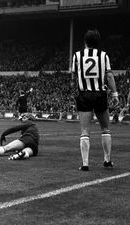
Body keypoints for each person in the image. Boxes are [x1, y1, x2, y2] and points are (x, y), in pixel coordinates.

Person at [71, 29, 119, 171]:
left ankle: (85, 164)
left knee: (85, 131)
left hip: (84, 94)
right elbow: (109, 76)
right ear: (98, 42)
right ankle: (107, 161)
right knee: (105, 128)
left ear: (85, 41)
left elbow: (73, 77)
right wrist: (115, 94)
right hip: (100, 94)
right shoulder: (103, 56)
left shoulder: (77, 56)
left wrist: (75, 91)